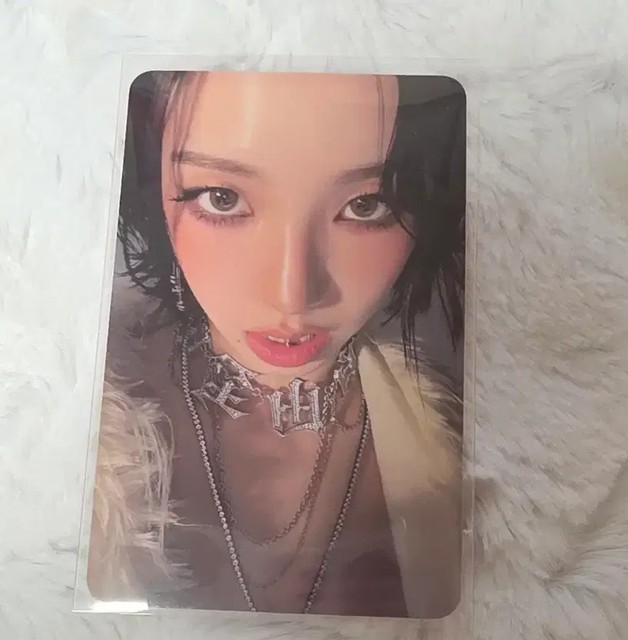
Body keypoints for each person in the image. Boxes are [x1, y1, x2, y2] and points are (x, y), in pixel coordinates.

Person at [87, 70, 466, 619]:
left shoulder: (476, 430)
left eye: (367, 205)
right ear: (154, 192)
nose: (293, 293)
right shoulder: (62, 426)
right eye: (222, 198)